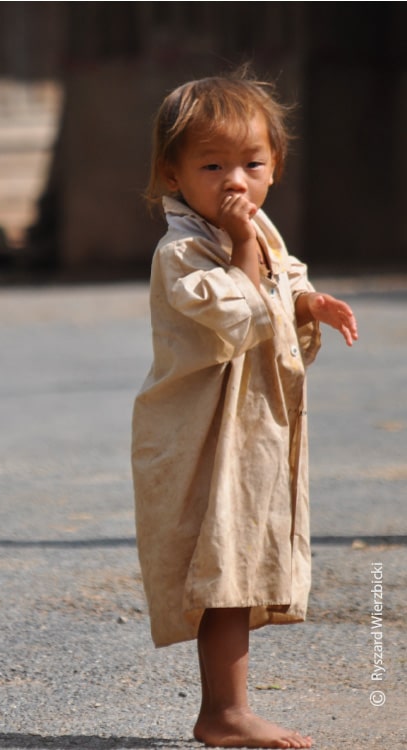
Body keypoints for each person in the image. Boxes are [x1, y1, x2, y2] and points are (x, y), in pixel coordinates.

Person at [131, 69, 358, 749]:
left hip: (252, 433)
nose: (235, 179)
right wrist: (243, 249)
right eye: (211, 164)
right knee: (222, 564)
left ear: (274, 167)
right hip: (204, 439)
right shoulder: (182, 250)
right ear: (171, 173)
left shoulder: (257, 232)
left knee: (245, 559)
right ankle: (222, 712)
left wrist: (307, 301)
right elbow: (231, 312)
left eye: (250, 163)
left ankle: (227, 708)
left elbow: (279, 282)